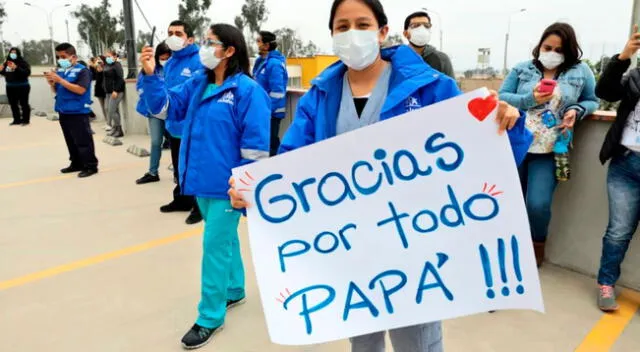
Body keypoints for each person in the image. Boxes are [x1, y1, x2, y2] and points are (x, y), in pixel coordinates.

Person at [229, 1, 532, 351]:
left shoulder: (431, 88)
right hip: (352, 247)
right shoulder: (320, 97)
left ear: (383, 32)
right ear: (332, 35)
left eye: (362, 24)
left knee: (416, 340)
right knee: (363, 337)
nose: (351, 34)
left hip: (415, 245)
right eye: (342, 27)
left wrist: (505, 122)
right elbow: (292, 169)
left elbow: (474, 151)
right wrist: (256, 195)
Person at [140, 23, 270, 349]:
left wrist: (244, 185)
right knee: (222, 239)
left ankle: (209, 317)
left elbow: (255, 147)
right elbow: (163, 108)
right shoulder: (199, 84)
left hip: (227, 186)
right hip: (198, 180)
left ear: (229, 51)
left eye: (211, 43)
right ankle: (235, 290)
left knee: (214, 247)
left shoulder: (248, 91)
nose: (204, 47)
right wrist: (152, 76)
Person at [499, 22, 598, 267]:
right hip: (517, 144)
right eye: (547, 47)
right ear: (539, 45)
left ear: (569, 51)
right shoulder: (522, 69)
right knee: (510, 201)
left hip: (550, 149)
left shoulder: (580, 71)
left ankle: (537, 245)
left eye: (559, 50)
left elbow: (592, 100)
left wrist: (576, 110)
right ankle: (509, 248)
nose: (552, 53)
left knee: (538, 204)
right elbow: (502, 97)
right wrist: (529, 98)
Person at [594, 25, 640, 312]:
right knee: (618, 232)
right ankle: (605, 284)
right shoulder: (635, 76)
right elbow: (605, 90)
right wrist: (625, 55)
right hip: (626, 165)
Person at [158, 20, 205, 225]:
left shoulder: (200, 60)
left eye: (178, 33)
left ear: (190, 39)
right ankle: (181, 199)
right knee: (178, 167)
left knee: (194, 167)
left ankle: (199, 206)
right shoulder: (170, 63)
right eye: (170, 33)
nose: (173, 36)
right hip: (174, 125)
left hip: (192, 125)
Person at [46, 43, 99, 178]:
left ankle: (90, 165)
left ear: (73, 57)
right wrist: (52, 84)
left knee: (83, 140)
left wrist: (61, 81)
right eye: (58, 57)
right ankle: (76, 163)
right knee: (70, 139)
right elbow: (57, 90)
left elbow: (81, 89)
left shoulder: (83, 71)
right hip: (63, 110)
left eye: (63, 56)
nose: (60, 60)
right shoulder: (61, 71)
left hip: (78, 111)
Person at [136, 42, 172, 185]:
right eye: (162, 57)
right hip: (155, 112)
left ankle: (179, 173)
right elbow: (140, 87)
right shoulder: (149, 69)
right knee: (156, 141)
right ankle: (153, 172)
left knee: (177, 143)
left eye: (168, 57)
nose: (165, 60)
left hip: (172, 111)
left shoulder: (174, 68)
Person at [254, 30, 289, 156]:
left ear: (267, 45)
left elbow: (277, 92)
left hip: (271, 113)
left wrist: (268, 111)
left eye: (258, 41)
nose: (256, 44)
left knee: (271, 143)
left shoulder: (275, 64)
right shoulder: (261, 62)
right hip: (261, 110)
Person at [402, 11, 454, 78]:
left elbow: (451, 87)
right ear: (405, 34)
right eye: (415, 26)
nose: (422, 29)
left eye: (426, 26)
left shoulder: (442, 59)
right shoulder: (398, 59)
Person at [0, 47, 31, 126]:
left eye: (15, 53)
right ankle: (16, 120)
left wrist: (16, 68)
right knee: (13, 104)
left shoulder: (23, 63)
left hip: (22, 86)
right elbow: (5, 73)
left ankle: (25, 120)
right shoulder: (6, 63)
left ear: (18, 54)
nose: (13, 54)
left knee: (24, 104)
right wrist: (1, 70)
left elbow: (26, 73)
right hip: (10, 87)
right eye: (11, 52)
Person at [103, 49, 125, 138]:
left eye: (109, 56)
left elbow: (120, 78)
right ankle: (115, 128)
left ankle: (119, 130)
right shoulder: (107, 65)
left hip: (116, 91)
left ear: (115, 56)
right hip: (108, 92)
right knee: (108, 109)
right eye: (106, 57)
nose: (107, 58)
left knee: (111, 110)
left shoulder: (117, 65)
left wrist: (116, 90)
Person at [89, 56, 108, 124]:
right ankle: (107, 121)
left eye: (100, 59)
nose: (98, 61)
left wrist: (101, 65)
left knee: (107, 107)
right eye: (97, 59)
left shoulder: (107, 68)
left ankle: (110, 122)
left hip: (106, 89)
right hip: (99, 89)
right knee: (103, 107)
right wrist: (95, 65)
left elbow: (103, 71)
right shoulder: (96, 68)